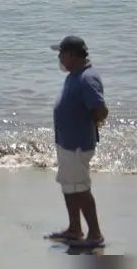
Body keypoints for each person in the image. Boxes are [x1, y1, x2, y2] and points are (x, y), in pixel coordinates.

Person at [45, 36, 107, 249]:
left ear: (70, 55)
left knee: (80, 188)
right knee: (69, 186)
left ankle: (95, 234)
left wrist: (87, 127)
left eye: (61, 54)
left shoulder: (87, 77)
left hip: (78, 144)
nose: (59, 58)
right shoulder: (75, 75)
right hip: (67, 142)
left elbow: (100, 109)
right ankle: (74, 229)